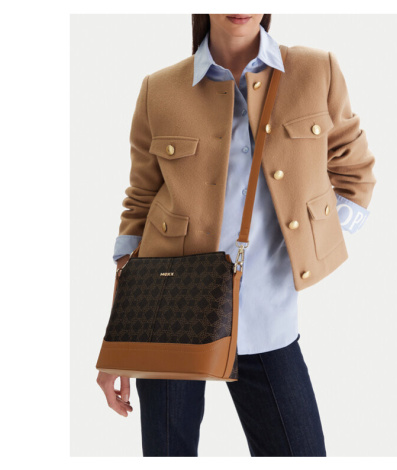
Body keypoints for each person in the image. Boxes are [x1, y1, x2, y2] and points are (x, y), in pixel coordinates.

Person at [96, 13, 376, 457]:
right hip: (168, 316)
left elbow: (354, 171)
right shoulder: (159, 89)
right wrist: (120, 341)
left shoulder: (314, 70)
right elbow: (139, 207)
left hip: (268, 315)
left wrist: (310, 238)